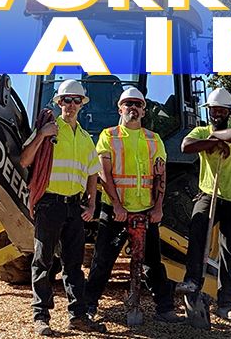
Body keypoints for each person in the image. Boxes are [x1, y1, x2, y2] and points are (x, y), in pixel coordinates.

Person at [84, 87, 182, 324]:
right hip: (115, 212)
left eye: (138, 104)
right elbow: (103, 173)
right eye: (128, 104)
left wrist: (158, 207)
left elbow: (160, 174)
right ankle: (88, 307)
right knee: (103, 261)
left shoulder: (153, 139)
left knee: (153, 263)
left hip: (146, 212)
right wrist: (117, 205)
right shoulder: (109, 136)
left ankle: (164, 308)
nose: (133, 108)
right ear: (120, 108)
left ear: (144, 110)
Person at [20, 79, 106, 336]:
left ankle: (77, 316)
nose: (71, 104)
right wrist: (42, 136)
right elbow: (25, 160)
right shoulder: (48, 129)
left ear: (82, 104)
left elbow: (93, 171)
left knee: (74, 265)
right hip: (49, 204)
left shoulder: (84, 137)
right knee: (42, 262)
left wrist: (91, 202)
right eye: (66, 100)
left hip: (73, 208)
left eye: (76, 100)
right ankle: (41, 317)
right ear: (58, 103)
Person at [176, 87, 231, 321]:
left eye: (221, 110)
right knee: (197, 232)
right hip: (210, 194)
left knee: (229, 250)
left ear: (229, 112)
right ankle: (192, 282)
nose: (216, 114)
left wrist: (213, 139)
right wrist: (213, 141)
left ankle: (225, 302)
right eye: (213, 110)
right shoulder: (200, 131)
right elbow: (186, 146)